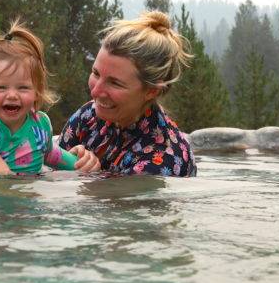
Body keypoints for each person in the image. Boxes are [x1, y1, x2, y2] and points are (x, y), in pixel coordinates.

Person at [0, 20, 98, 175]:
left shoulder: (41, 124)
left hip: (27, 199)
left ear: (37, 91)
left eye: (23, 88)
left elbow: (48, 154)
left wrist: (79, 166)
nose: (12, 95)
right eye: (1, 87)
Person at [59, 11, 197, 177]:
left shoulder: (162, 158)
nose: (95, 91)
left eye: (115, 83)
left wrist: (90, 178)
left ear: (151, 91)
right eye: (96, 73)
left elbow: (118, 203)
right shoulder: (87, 118)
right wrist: (65, 161)